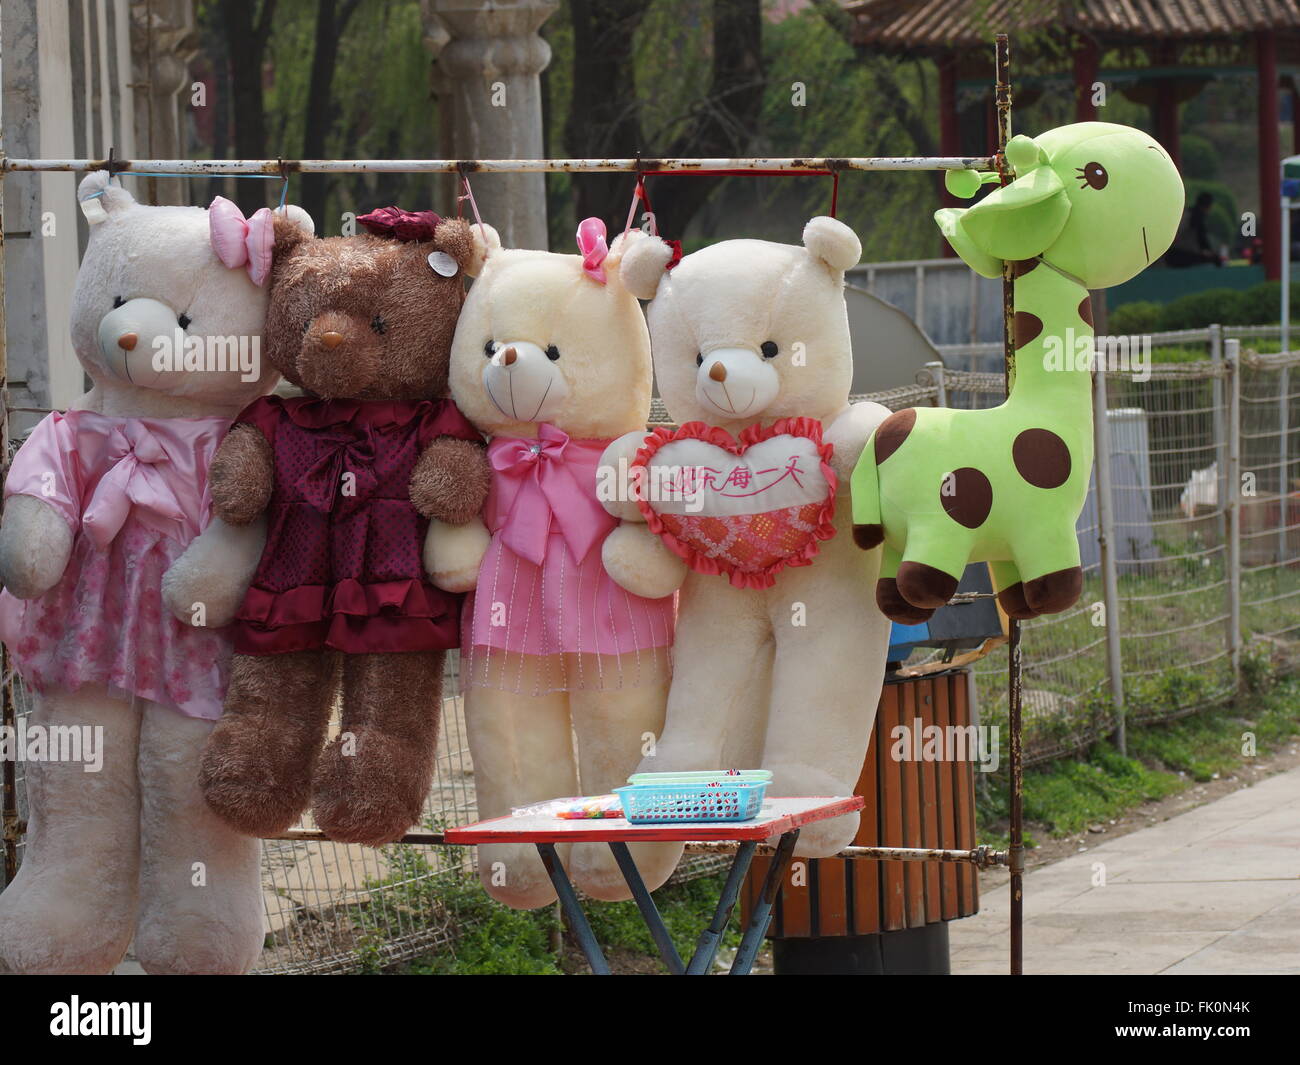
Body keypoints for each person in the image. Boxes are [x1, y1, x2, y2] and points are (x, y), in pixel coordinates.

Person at [1165, 191, 1222, 267]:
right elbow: (1201, 239)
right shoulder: (1197, 217)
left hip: (1172, 253)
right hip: (1183, 254)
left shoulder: (1186, 214)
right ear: (1208, 206)